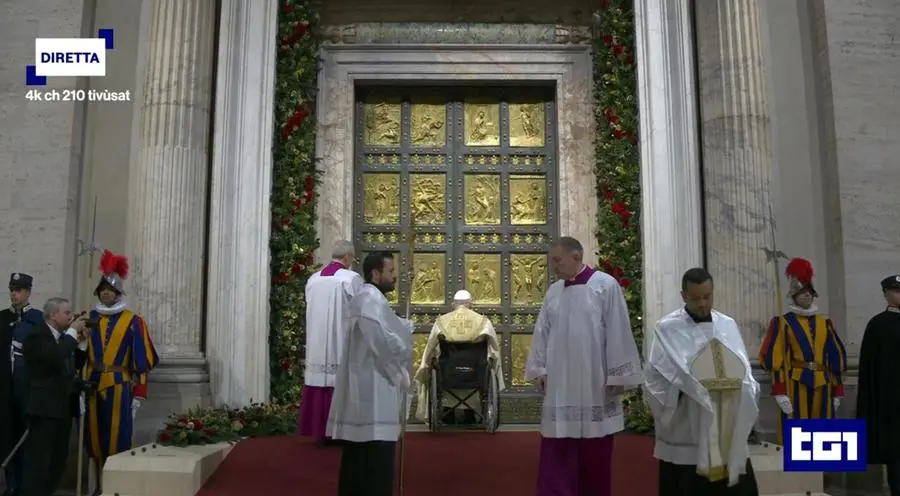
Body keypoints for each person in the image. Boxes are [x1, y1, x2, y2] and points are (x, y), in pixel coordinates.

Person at [524, 237, 644, 496]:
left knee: (594, 453)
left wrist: (618, 375)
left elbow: (618, 330)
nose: (554, 266)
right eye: (552, 260)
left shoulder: (604, 286)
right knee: (558, 450)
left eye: (558, 260)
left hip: (594, 382)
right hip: (561, 385)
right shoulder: (554, 291)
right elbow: (542, 332)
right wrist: (540, 369)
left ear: (576, 257)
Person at [644, 268, 759, 496]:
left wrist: (745, 388)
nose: (703, 303)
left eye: (707, 296)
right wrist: (685, 387)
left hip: (726, 425)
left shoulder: (727, 324)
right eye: (696, 298)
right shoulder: (667, 328)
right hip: (688, 428)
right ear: (683, 296)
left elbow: (745, 370)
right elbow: (655, 379)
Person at [326, 251, 413, 496]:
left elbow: (384, 330)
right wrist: (400, 365)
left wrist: (401, 327)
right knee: (372, 463)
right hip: (372, 391)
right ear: (375, 273)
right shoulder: (370, 300)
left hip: (367, 388)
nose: (395, 277)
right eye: (391, 272)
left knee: (360, 461)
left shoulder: (370, 298)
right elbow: (382, 342)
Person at [83, 250, 159, 495]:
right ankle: (97, 486)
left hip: (118, 384)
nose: (105, 292)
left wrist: (139, 392)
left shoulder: (133, 321)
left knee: (117, 437)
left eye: (110, 289)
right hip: (91, 383)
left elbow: (142, 361)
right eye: (102, 289)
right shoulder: (88, 318)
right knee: (93, 439)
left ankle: (115, 487)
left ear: (117, 293)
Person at [758, 257, 847, 443]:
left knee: (824, 438)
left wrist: (837, 389)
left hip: (824, 385)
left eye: (810, 292)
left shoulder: (825, 323)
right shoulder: (782, 323)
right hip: (796, 384)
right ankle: (800, 473)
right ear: (794, 295)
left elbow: (834, 358)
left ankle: (823, 471)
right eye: (802, 292)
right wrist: (780, 391)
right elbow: (776, 360)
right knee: (798, 436)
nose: (807, 295)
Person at [21, 297, 89, 496]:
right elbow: (54, 356)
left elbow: (70, 367)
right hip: (43, 409)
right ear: (53, 315)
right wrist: (72, 333)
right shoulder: (37, 336)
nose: (70, 316)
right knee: (40, 462)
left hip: (62, 408)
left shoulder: (62, 338)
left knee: (58, 460)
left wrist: (81, 346)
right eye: (66, 313)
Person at [299, 240, 362, 446]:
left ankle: (320, 431)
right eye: (351, 259)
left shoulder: (313, 279)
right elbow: (361, 309)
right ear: (347, 258)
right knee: (340, 379)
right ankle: (341, 430)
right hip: (340, 338)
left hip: (318, 339)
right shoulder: (351, 278)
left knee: (320, 379)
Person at [414, 289, 505, 424]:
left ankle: (448, 412)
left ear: (454, 304)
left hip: (448, 375)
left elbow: (430, 346)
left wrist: (424, 363)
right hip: (476, 376)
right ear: (470, 304)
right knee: (484, 366)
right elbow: (494, 350)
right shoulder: (483, 322)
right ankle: (471, 413)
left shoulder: (442, 322)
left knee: (438, 366)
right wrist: (495, 363)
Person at [856, 274, 900, 496]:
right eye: (895, 291)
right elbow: (868, 370)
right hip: (891, 405)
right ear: (886, 295)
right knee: (897, 459)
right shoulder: (878, 324)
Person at [1, 273, 42, 496]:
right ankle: (11, 483)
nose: (14, 294)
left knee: (28, 439)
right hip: (6, 391)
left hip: (27, 390)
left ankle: (27, 485)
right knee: (8, 437)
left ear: (27, 292)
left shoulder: (37, 319)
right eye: (12, 290)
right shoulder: (1, 318)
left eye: (18, 290)